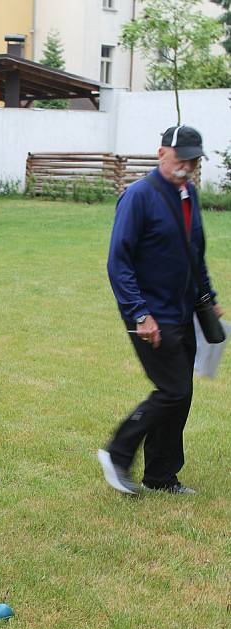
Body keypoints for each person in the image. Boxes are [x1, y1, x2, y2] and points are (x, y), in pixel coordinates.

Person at [98, 125, 224, 495]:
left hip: (184, 310)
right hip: (151, 314)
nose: (187, 165)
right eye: (181, 157)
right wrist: (139, 313)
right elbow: (118, 262)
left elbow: (194, 252)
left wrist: (208, 296)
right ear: (160, 153)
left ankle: (161, 475)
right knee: (172, 390)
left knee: (181, 393)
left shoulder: (188, 194)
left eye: (193, 159)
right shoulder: (138, 196)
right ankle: (117, 453)